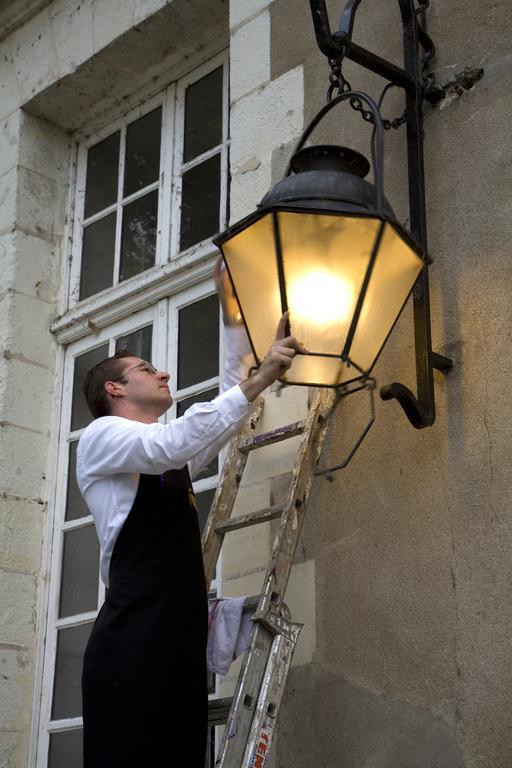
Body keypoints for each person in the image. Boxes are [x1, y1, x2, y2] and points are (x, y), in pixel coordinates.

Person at [77, 265, 305, 768]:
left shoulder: (166, 458)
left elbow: (226, 407)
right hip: (130, 652)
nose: (163, 374)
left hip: (177, 650)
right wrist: (264, 376)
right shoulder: (100, 438)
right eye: (146, 370)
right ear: (115, 390)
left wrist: (233, 307)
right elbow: (171, 442)